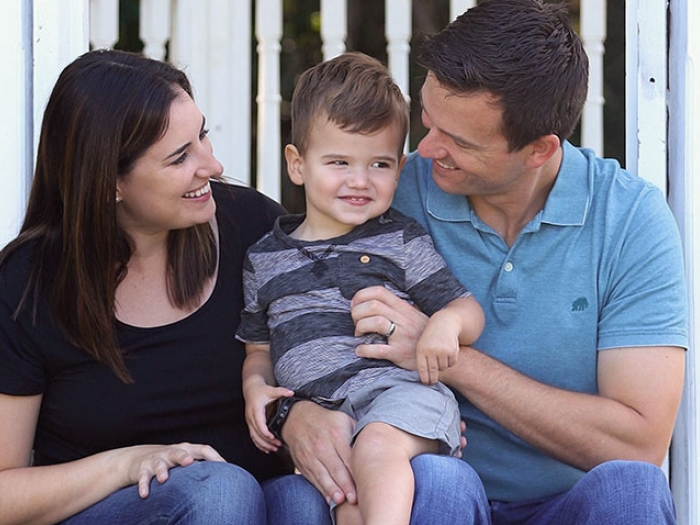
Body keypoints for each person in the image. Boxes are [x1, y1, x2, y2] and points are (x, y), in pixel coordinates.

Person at [275, 1, 689, 524]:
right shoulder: (386, 193)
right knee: (441, 480)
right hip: (431, 493)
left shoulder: (628, 218)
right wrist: (294, 413)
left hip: (568, 505)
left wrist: (451, 357)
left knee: (631, 487)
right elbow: (289, 307)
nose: (425, 150)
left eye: (459, 142)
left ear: (538, 150)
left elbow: (638, 444)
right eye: (428, 121)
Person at [0, 49, 292, 524]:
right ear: (109, 183)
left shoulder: (255, 227)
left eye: (202, 136)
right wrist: (125, 463)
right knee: (219, 489)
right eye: (180, 157)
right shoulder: (27, 285)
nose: (213, 166)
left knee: (300, 500)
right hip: (117, 511)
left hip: (247, 505)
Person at [237, 52, 485, 525]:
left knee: (374, 448)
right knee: (345, 497)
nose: (359, 180)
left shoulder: (400, 239)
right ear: (297, 164)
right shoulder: (263, 258)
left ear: (400, 166)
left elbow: (466, 308)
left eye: (378, 164)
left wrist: (445, 325)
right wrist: (255, 388)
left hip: (399, 397)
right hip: (327, 413)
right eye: (339, 162)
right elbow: (258, 347)